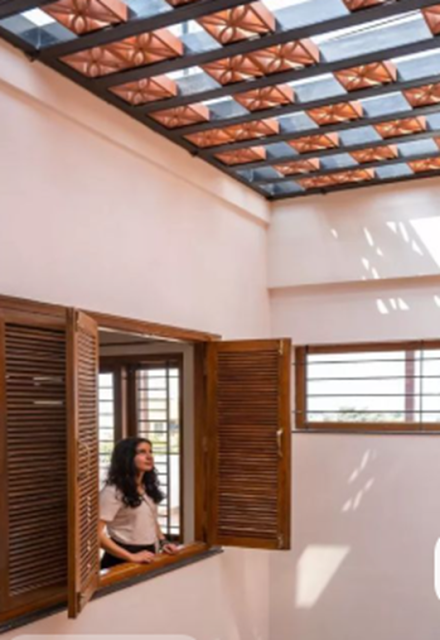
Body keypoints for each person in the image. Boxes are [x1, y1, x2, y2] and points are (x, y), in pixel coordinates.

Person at [99, 436, 179, 569]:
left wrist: (163, 541)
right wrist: (131, 557)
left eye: (150, 451)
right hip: (121, 559)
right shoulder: (112, 492)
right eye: (142, 452)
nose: (149, 457)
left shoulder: (147, 487)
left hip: (149, 553)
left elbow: (151, 520)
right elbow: (95, 535)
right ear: (127, 458)